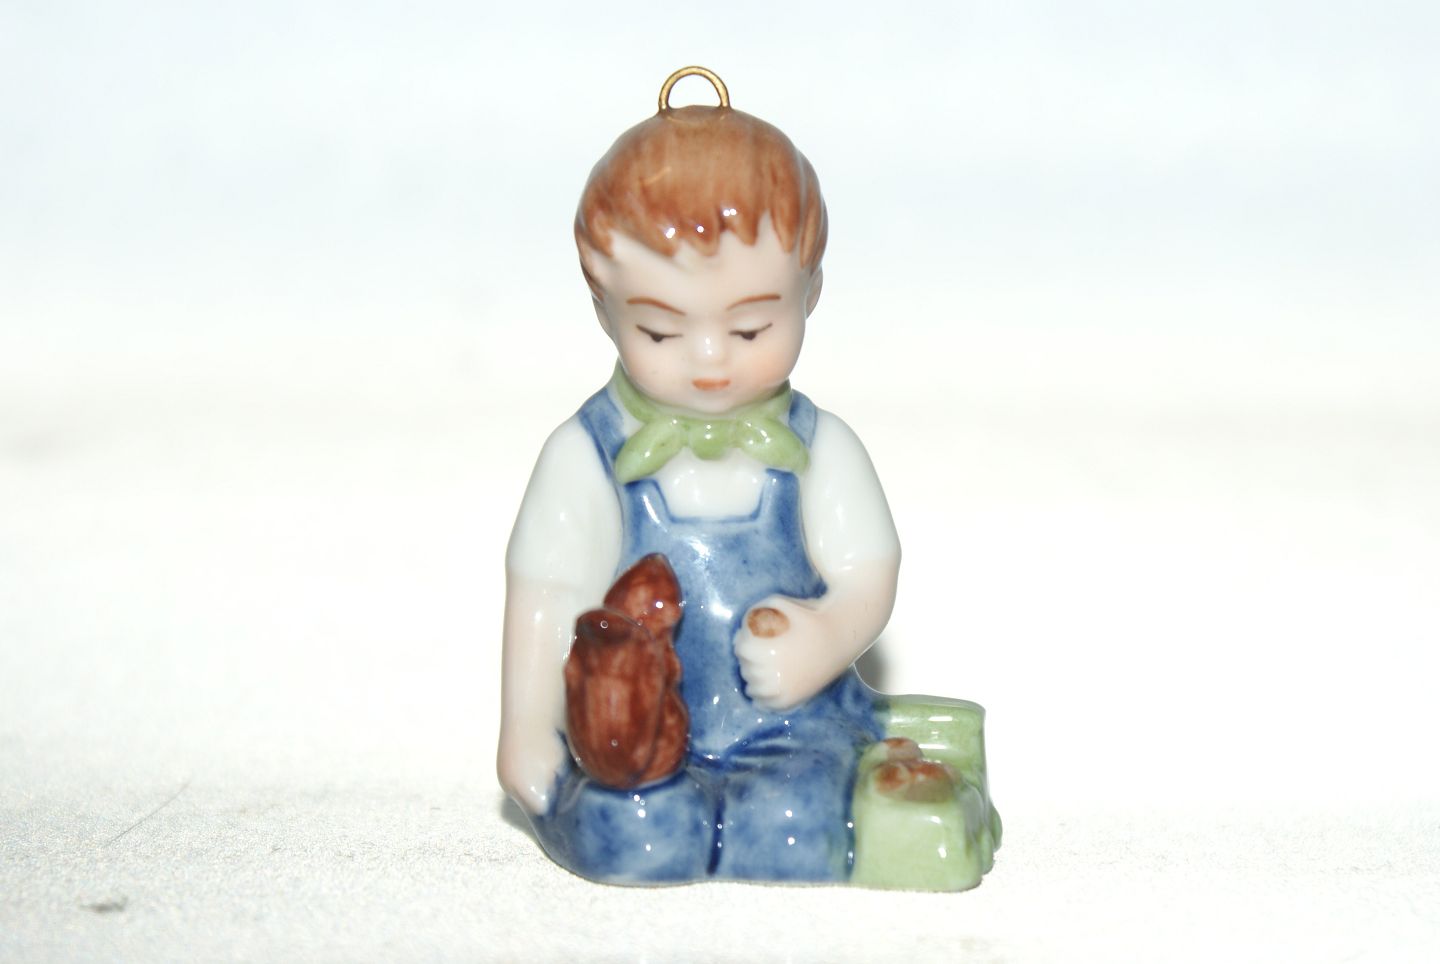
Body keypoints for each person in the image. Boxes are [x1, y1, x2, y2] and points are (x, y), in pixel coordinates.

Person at [498, 77, 902, 883]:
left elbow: (870, 571)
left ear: (811, 292)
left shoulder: (821, 449)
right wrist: (527, 732)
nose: (710, 360)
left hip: (792, 725)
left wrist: (825, 638)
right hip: (630, 733)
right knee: (632, 833)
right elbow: (545, 596)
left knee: (797, 822)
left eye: (751, 327)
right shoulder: (584, 456)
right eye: (660, 330)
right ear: (603, 309)